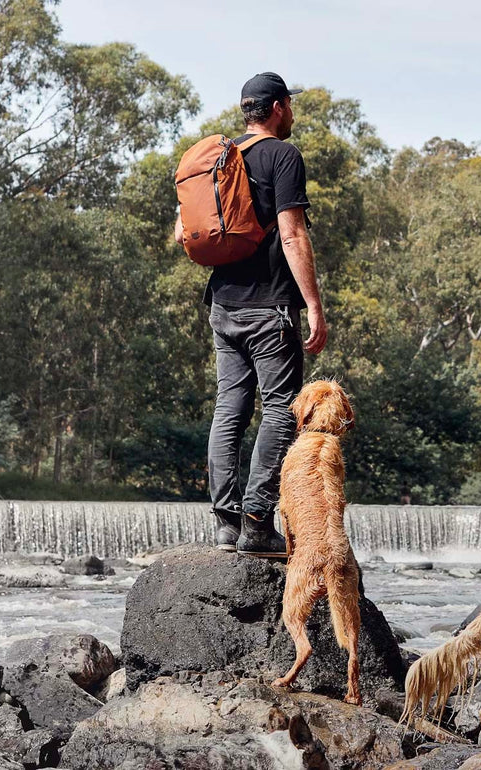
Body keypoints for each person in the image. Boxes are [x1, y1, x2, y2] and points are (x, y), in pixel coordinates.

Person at [175, 72, 327, 557]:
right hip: (269, 310)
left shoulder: (219, 157)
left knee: (229, 409)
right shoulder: (283, 155)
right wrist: (314, 305)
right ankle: (258, 524)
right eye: (291, 106)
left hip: (222, 306)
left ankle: (225, 523)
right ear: (279, 107)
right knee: (282, 410)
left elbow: (184, 231)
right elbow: (292, 234)